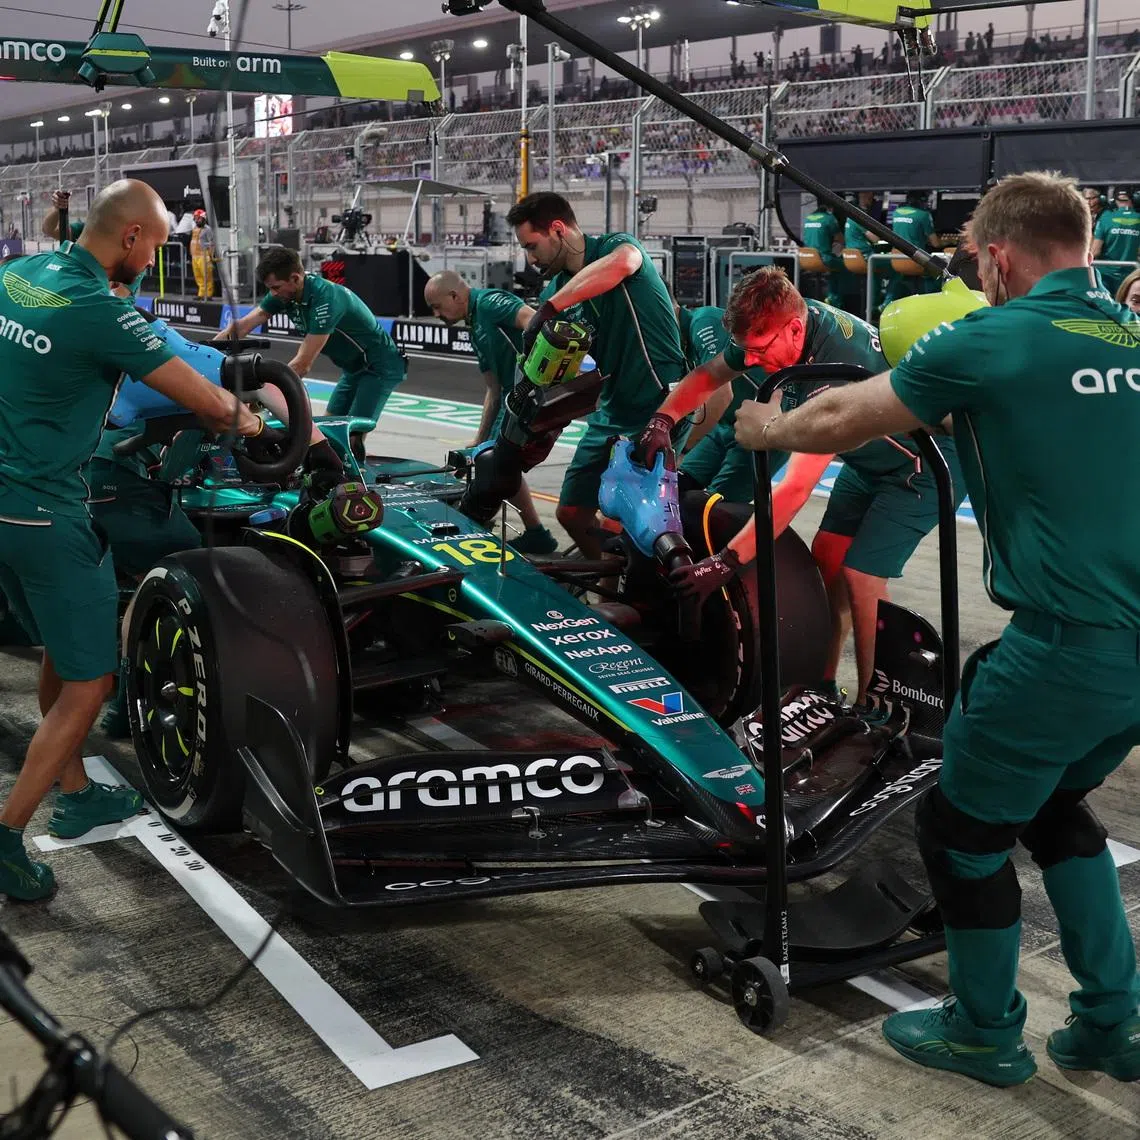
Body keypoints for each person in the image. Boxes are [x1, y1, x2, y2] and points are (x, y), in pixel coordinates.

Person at [733, 171, 1140, 1088]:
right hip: (1131, 655)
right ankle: (1114, 1023)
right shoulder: (1134, 335)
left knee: (959, 829)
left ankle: (985, 1032)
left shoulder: (999, 336)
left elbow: (844, 415)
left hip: (1069, 643)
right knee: (1051, 804)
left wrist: (766, 429)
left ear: (997, 257)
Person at [0, 179, 266, 900]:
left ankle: (79, 789)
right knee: (92, 685)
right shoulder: (102, 311)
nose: (155, 259)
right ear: (130, 239)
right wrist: (249, 422)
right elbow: (209, 400)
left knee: (64, 644)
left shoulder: (21, 274)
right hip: (45, 513)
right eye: (156, 245)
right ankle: (6, 836)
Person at [638, 267, 963, 708]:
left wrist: (725, 562)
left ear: (794, 327)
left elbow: (792, 491)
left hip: (924, 464)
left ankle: (879, 706)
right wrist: (663, 419)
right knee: (826, 560)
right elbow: (710, 373)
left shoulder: (825, 375)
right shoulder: (787, 325)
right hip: (868, 459)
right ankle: (822, 686)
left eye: (758, 352)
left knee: (862, 576)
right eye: (746, 352)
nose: (751, 363)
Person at [506, 191, 688, 560]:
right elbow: (558, 373)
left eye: (532, 245)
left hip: (658, 405)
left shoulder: (617, 247)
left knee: (626, 520)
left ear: (557, 229)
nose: (531, 258)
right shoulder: (559, 291)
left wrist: (550, 308)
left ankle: (641, 596)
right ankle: (611, 579)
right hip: (611, 412)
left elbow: (623, 264)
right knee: (571, 513)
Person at [216, 247, 407, 462]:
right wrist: (208, 354)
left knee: (351, 437)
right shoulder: (285, 293)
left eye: (276, 287)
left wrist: (261, 398)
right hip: (353, 368)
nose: (274, 293)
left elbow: (301, 365)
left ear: (295, 278)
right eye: (270, 288)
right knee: (330, 430)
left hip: (380, 366)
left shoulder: (326, 299)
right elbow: (244, 324)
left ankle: (353, 485)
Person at [423, 270, 557, 555]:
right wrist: (479, 437)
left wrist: (538, 383)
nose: (436, 314)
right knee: (494, 460)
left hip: (530, 398)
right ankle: (535, 533)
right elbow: (493, 389)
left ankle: (484, 529)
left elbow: (540, 324)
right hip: (512, 399)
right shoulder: (474, 325)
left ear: (455, 296)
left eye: (437, 306)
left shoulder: (491, 304)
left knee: (497, 466)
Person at [674, 299, 760, 504]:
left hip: (759, 430)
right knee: (676, 488)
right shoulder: (684, 343)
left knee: (713, 510)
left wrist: (681, 448)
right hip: (725, 425)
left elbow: (721, 395)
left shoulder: (704, 321)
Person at [885, 191, 943, 303]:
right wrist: (948, 241)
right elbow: (935, 243)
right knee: (941, 267)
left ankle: (887, 302)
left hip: (896, 258)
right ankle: (931, 303)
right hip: (915, 260)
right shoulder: (923, 215)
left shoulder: (896, 212)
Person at [1091, 188, 1140, 296]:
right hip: (1132, 276)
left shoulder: (1106, 217)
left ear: (1112, 201)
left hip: (1106, 275)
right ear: (1135, 199)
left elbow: (1095, 251)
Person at [801, 197, 845, 308]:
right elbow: (840, 239)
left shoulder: (809, 218)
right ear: (830, 208)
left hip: (806, 258)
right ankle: (834, 299)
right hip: (823, 259)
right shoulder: (829, 218)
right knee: (843, 266)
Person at [189, 208, 215, 300]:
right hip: (195, 256)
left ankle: (208, 294)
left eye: (198, 218)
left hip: (204, 256)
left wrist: (211, 256)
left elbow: (212, 243)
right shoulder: (194, 228)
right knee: (198, 276)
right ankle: (201, 294)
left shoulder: (208, 229)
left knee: (207, 276)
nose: (196, 220)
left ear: (203, 218)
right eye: (195, 218)